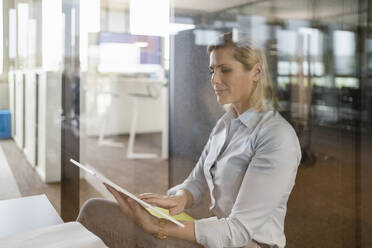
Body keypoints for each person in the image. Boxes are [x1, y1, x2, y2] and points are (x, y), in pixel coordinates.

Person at [77, 32, 301, 248]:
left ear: (256, 72)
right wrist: (181, 199)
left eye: (225, 70)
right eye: (212, 70)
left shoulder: (277, 138)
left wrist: (158, 226)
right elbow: (197, 181)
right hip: (218, 237)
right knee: (94, 209)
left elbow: (239, 231)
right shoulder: (226, 123)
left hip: (244, 243)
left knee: (99, 217)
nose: (214, 79)